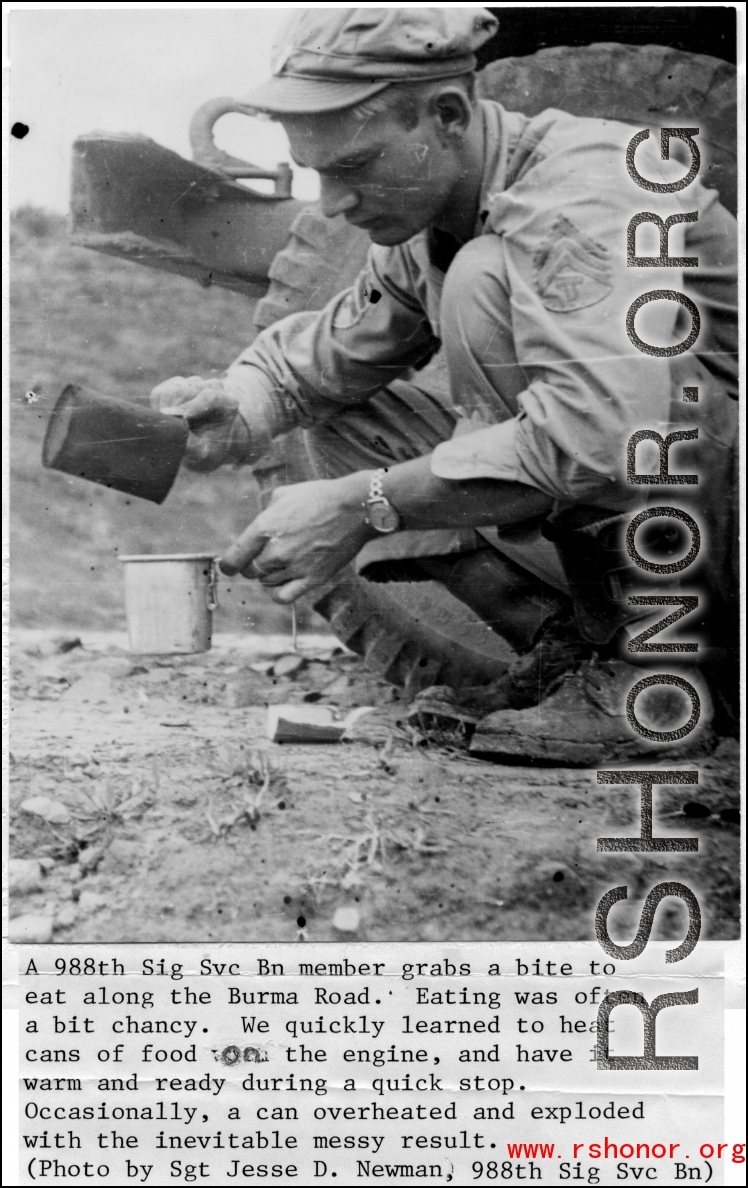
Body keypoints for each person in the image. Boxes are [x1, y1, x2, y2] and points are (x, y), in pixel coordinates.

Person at [151, 8, 738, 763]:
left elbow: (598, 439)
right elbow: (322, 360)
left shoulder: (582, 194)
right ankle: (585, 650)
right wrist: (234, 411)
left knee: (481, 286)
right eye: (319, 173)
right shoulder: (441, 211)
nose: (332, 204)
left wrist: (366, 504)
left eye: (354, 167)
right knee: (340, 418)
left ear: (449, 115)